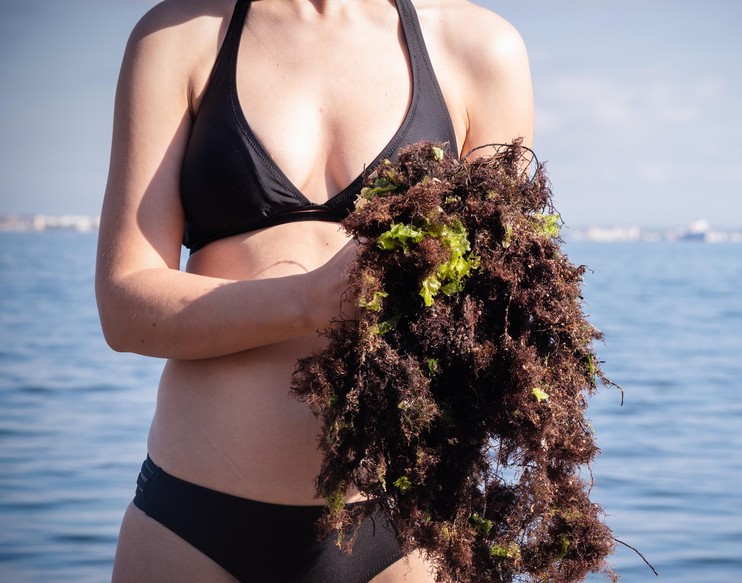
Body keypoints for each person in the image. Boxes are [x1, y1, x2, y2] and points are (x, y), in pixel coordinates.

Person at [96, 0, 533, 580]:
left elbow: (502, 310)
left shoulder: (479, 47)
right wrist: (313, 299)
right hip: (194, 524)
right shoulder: (180, 36)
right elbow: (126, 308)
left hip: (405, 529)